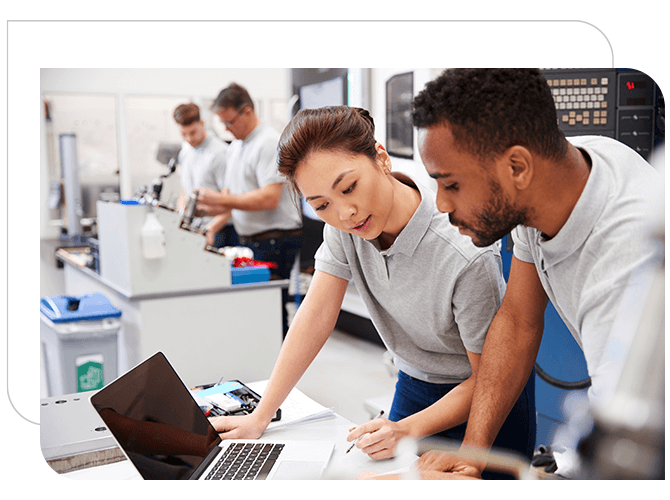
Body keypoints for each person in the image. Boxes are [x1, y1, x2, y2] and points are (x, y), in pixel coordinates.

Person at [207, 106, 536, 477]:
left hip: (484, 399)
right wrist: (260, 416)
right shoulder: (345, 230)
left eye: (349, 187)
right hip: (413, 384)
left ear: (381, 158)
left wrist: (407, 429)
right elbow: (314, 316)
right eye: (322, 205)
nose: (345, 212)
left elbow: (491, 375)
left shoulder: (461, 251)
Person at [408, 68, 661, 479]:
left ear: (518, 168)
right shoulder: (553, 180)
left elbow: (621, 467)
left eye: (451, 184)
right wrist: (473, 453)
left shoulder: (622, 264)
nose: (440, 205)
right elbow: (518, 320)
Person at [196, 83, 303, 335]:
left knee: (272, 313)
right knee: (254, 312)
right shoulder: (235, 147)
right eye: (222, 123)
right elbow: (234, 198)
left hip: (276, 240)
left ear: (246, 112)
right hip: (252, 240)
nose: (226, 129)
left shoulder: (267, 143)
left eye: (230, 121)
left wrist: (221, 201)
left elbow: (268, 199)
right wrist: (205, 212)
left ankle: (280, 367)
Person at [173, 102, 237, 248]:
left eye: (193, 132)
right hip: (194, 228)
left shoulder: (219, 153)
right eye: (183, 134)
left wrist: (211, 229)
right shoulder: (185, 152)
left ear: (202, 123)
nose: (189, 139)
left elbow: (233, 202)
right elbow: (185, 190)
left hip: (220, 230)